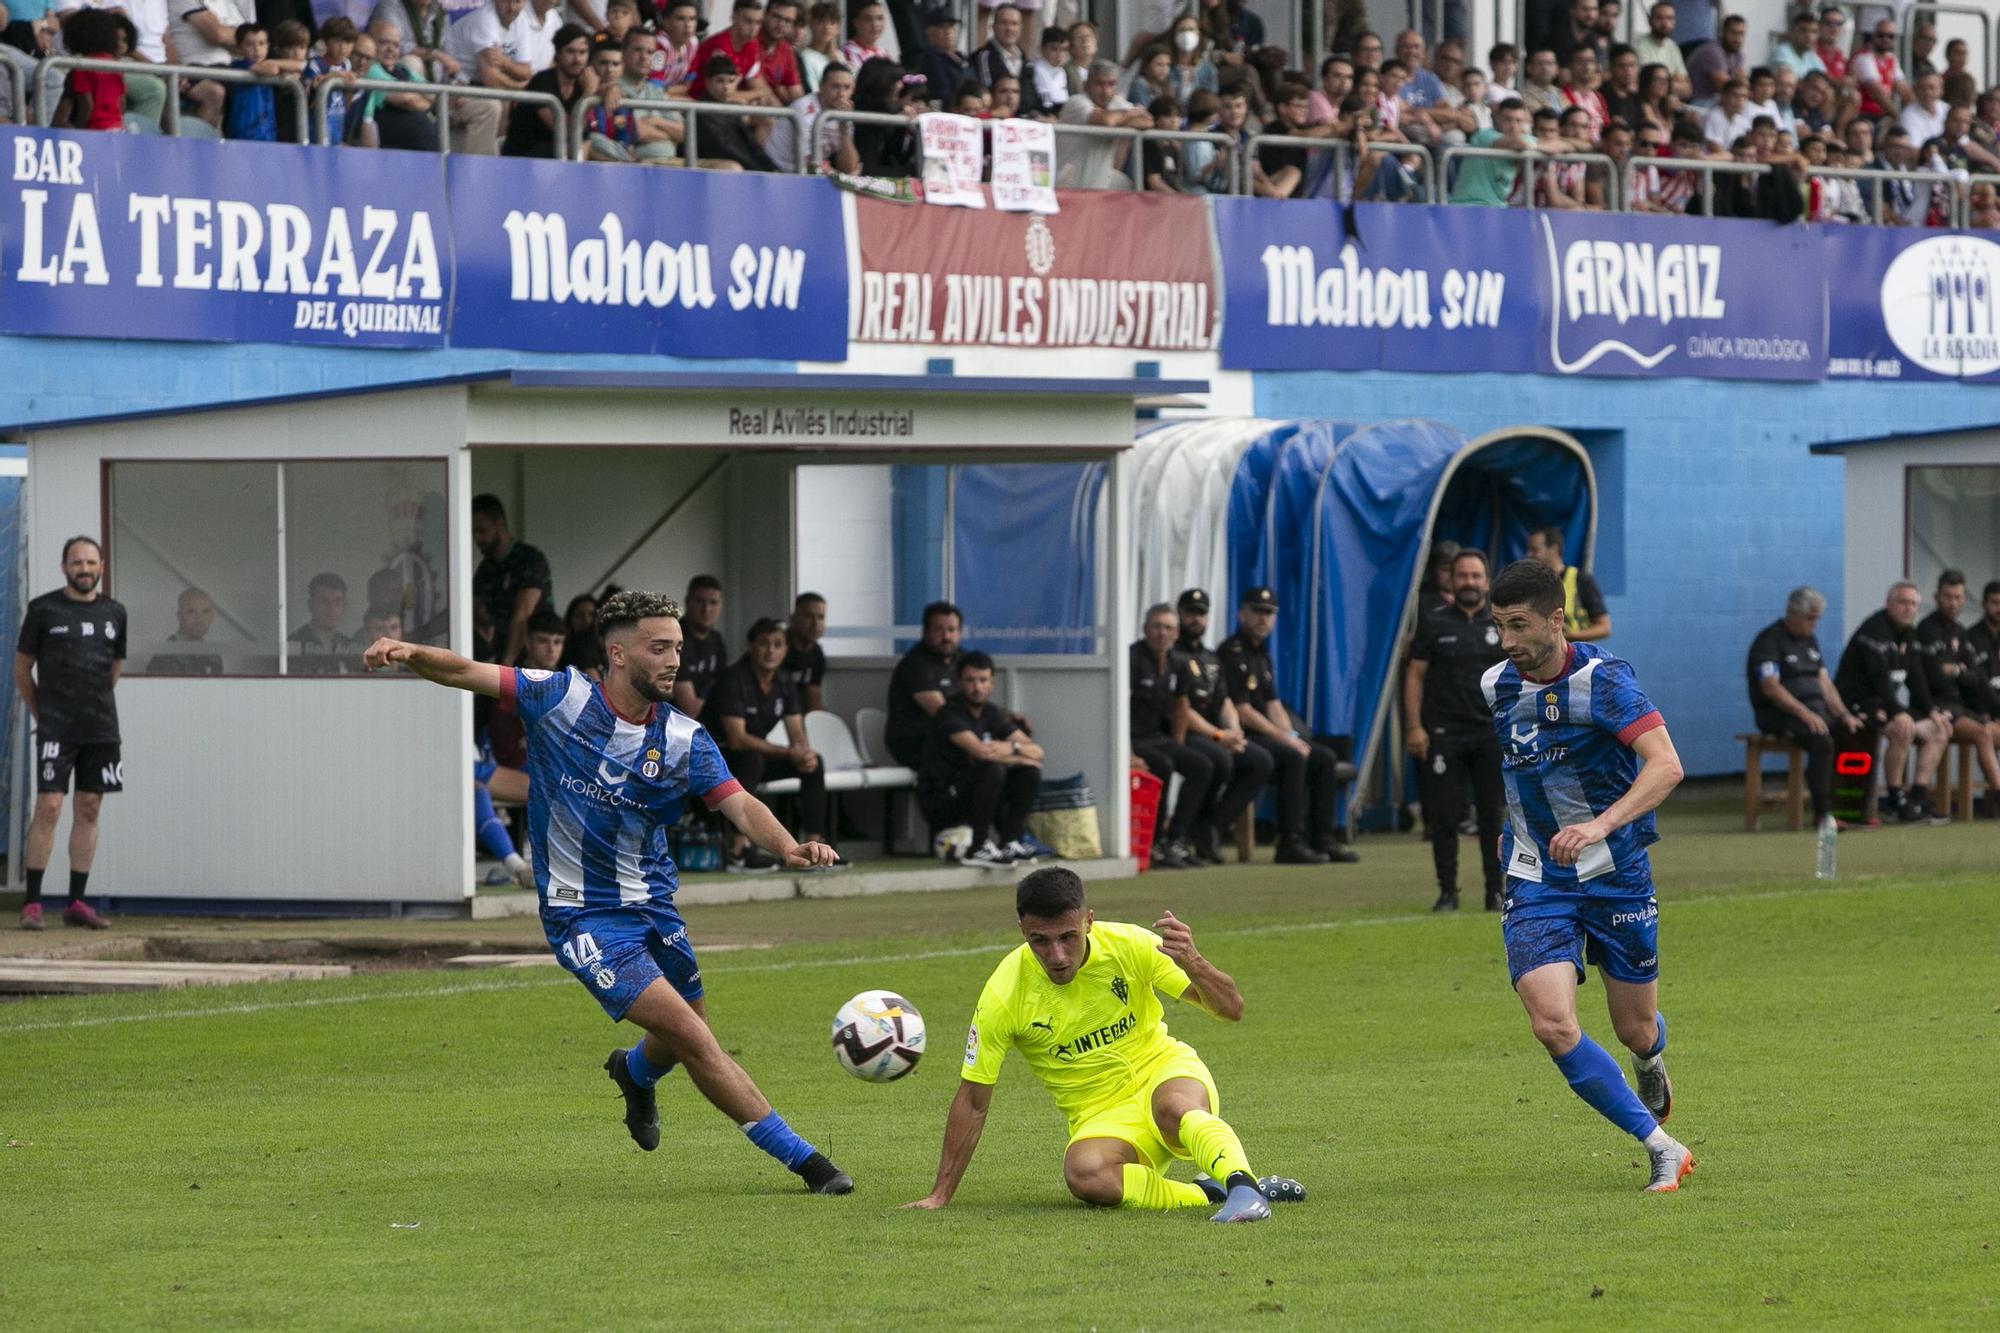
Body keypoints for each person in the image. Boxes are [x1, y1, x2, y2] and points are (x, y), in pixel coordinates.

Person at [360, 590, 854, 1195]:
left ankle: (635, 1073)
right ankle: (809, 1163)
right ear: (618, 654)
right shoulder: (560, 697)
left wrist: (788, 847)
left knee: (679, 1034)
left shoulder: (683, 738)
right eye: (659, 647)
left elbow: (740, 803)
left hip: (653, 906)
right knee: (697, 1038)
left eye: (677, 647)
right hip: (582, 916)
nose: (674, 660)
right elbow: (466, 671)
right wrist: (410, 652)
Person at [903, 867, 1303, 1221]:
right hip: (1100, 1115)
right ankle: (1207, 1193)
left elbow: (1231, 1009)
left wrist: (1195, 963)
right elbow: (974, 1099)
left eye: (1068, 937)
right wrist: (940, 1195)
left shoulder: (1131, 945)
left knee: (1174, 1108)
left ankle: (1245, 1190)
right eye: (1039, 940)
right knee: (1085, 1175)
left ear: (1089, 921)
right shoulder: (1003, 994)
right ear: (1022, 930)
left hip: (1163, 1072)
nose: (1056, 955)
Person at [1480, 558, 1693, 1193]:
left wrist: (1600, 824)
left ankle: (1649, 1058)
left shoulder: (1606, 683)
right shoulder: (1496, 685)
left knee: (1634, 1026)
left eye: (1518, 625)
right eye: (1497, 627)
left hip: (1616, 872)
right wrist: (1515, 824)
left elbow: (1666, 766)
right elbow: (1522, 764)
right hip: (1536, 877)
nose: (1507, 642)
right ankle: (1660, 1146)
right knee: (1551, 1022)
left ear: (1555, 618)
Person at [13, 537, 124, 931]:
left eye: (91, 562)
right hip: (56, 728)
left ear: (101, 567)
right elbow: (22, 668)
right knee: (50, 807)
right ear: (64, 567)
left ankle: (77, 902)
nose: (84, 568)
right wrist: (42, 714)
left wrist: (92, 706)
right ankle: (32, 904)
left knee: (90, 807)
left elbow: (113, 669)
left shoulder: (115, 612)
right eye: (77, 562)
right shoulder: (43, 610)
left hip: (101, 729)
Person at [1217, 587, 1358, 865]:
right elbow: (1243, 711)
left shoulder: (1263, 654)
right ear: (1241, 613)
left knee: (1323, 758)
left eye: (1268, 613)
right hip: (1244, 735)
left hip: (1268, 734)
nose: (1262, 618)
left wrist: (1292, 735)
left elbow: (1273, 704)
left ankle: (1323, 837)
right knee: (1292, 756)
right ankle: (1290, 840)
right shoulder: (1232, 652)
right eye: (1256, 611)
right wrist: (1285, 739)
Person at [1405, 549, 1507, 912]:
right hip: (1443, 732)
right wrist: (1415, 726)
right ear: (1451, 579)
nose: (1469, 582)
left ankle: (1496, 891)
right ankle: (1447, 891)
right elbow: (1415, 675)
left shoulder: (1500, 623)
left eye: (1476, 576)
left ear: (1487, 581)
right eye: (1463, 576)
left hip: (1489, 733)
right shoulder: (1433, 622)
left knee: (1491, 814)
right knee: (1444, 816)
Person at [702, 618, 837, 873]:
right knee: (752, 758)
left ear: (786, 650)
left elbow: (796, 731)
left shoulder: (784, 681)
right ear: (751, 646)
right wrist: (789, 752)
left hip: (756, 756)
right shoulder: (733, 679)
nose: (771, 651)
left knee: (813, 763)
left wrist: (802, 753)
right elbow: (737, 739)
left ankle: (815, 846)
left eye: (778, 645)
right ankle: (739, 850)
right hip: (718, 757)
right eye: (764, 644)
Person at [1746, 586, 1864, 829]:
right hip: (1778, 714)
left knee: (1858, 732)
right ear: (1792, 613)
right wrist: (1805, 713)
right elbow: (1771, 687)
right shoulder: (1768, 641)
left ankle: (1856, 808)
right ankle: (1823, 813)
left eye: (1818, 618)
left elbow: (1824, 682)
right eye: (1810, 618)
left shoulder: (1810, 640)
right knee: (1822, 740)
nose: (1815, 624)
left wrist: (1843, 715)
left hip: (1815, 710)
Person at [1835, 582, 1950, 826]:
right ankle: (1896, 799)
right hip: (1857, 703)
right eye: (1903, 602)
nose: (1908, 609)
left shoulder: (1909, 634)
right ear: (1888, 604)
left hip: (1884, 703)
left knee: (1940, 729)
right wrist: (1897, 712)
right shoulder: (1874, 630)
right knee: (1902, 729)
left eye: (1913, 604)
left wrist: (1931, 710)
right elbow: (1878, 677)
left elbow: (1916, 677)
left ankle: (1917, 797)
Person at [917, 651, 1044, 869]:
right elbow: (981, 752)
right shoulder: (949, 713)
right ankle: (977, 847)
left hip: (976, 794)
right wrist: (1020, 756)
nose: (977, 687)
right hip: (943, 797)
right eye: (970, 680)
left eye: (983, 680)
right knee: (993, 768)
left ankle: (1010, 841)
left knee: (1030, 773)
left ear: (992, 683)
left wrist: (1011, 747)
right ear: (959, 682)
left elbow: (1037, 751)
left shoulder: (992, 713)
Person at [1173, 588, 1271, 864]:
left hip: (1215, 733)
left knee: (1260, 761)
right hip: (1188, 732)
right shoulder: (1173, 655)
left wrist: (1234, 731)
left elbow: (1225, 701)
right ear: (1180, 614)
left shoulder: (1211, 658)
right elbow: (1180, 709)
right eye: (1191, 613)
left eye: (1201, 614)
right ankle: (1182, 834)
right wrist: (1218, 734)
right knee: (1215, 760)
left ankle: (1212, 827)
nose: (1196, 619)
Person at [1128, 603, 1209, 871]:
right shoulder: (1131, 658)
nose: (1162, 633)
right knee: (1162, 765)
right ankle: (1154, 844)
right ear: (1145, 629)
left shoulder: (1179, 662)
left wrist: (1179, 741)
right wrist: (1127, 752)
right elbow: (1117, 705)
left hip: (1157, 737)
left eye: (1168, 628)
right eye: (1157, 626)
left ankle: (1174, 840)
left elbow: (1181, 703)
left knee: (1201, 766)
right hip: (1132, 739)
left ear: (1177, 634)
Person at [1915, 570, 2000, 813]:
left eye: (1958, 597)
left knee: (1984, 730)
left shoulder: (1959, 632)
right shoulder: (1927, 629)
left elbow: (1975, 678)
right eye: (1948, 597)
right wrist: (1959, 675)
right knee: (1982, 733)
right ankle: (1997, 792)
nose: (1953, 603)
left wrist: (1959, 672)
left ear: (1964, 599)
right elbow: (1934, 675)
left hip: (1957, 707)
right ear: (1937, 596)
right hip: (1937, 707)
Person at [471, 494, 553, 666]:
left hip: (529, 663)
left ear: (499, 524)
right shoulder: (485, 569)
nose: (477, 538)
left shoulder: (530, 559)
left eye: (481, 530)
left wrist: (506, 666)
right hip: (494, 659)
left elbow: (522, 615)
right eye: (473, 532)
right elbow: (477, 613)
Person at [885, 600, 961, 767]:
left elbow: (978, 701)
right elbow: (942, 714)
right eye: (938, 630)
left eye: (951, 630)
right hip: (916, 743)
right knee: (980, 760)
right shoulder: (916, 664)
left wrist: (1005, 718)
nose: (946, 637)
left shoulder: (962, 659)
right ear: (925, 632)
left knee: (1016, 767)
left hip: (951, 737)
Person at [502, 23, 595, 158]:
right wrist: (588, 95)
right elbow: (566, 131)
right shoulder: (541, 82)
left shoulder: (584, 82)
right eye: (570, 51)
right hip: (523, 159)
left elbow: (606, 90)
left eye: (582, 52)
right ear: (557, 54)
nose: (577, 59)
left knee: (588, 142)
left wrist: (612, 89)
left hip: (556, 160)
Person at [1525, 526, 1608, 641]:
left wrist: (1570, 635)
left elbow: (1604, 628)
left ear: (1553, 549)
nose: (1529, 555)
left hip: (1577, 654)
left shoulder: (1580, 579)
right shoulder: (1529, 584)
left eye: (1534, 550)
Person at [672, 574, 728, 714]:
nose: (706, 610)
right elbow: (690, 709)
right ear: (687, 602)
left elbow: (726, 689)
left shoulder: (716, 639)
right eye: (700, 601)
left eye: (713, 603)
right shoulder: (674, 638)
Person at [147, 587, 223, 675]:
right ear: (179, 616)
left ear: (212, 617)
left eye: (205, 612)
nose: (199, 618)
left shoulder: (213, 656)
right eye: (191, 611)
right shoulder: (165, 656)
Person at [288, 572, 354, 674]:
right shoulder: (294, 644)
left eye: (337, 601)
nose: (331, 609)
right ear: (311, 605)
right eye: (323, 601)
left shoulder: (350, 646)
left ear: (344, 606)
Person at [781, 593, 827, 713]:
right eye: (808, 616)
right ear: (793, 619)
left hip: (795, 717)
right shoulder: (777, 647)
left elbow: (814, 701)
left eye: (821, 617)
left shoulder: (817, 654)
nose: (815, 624)